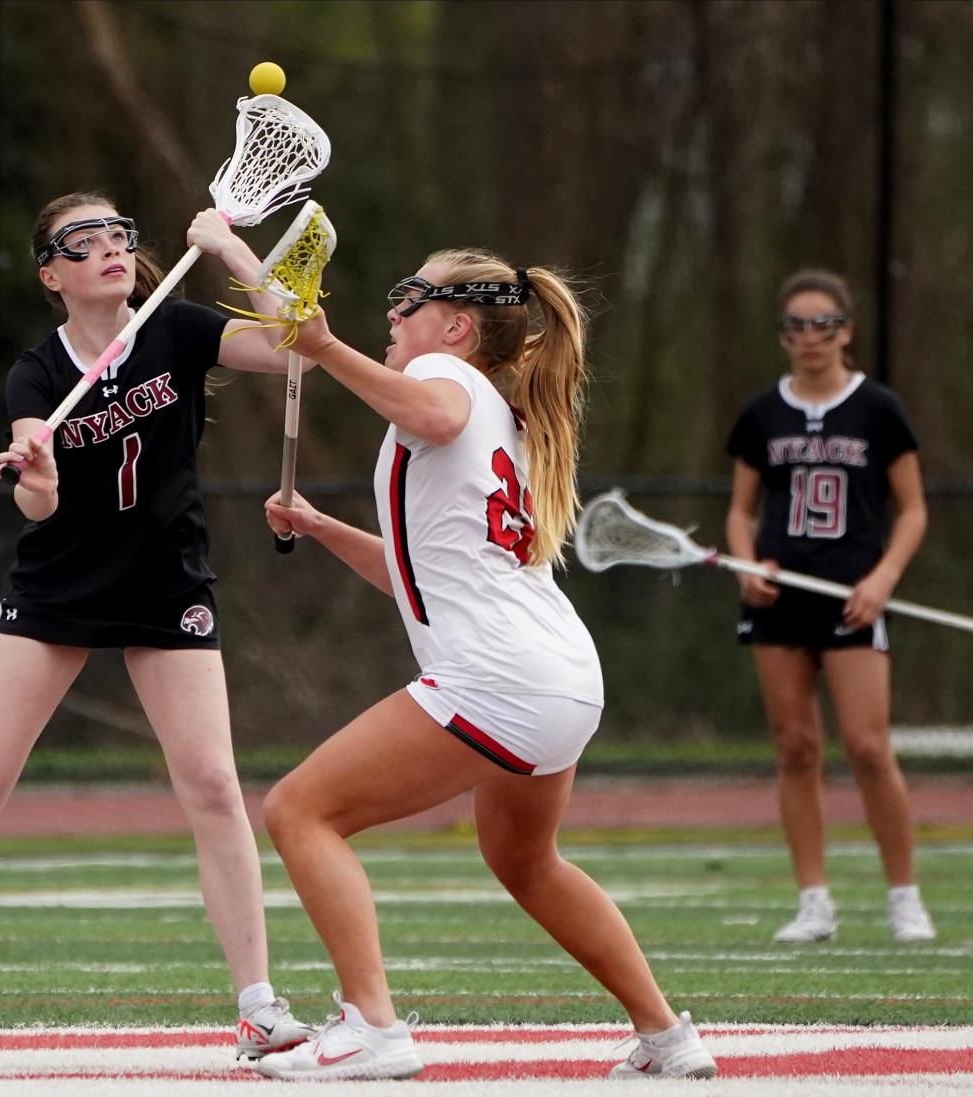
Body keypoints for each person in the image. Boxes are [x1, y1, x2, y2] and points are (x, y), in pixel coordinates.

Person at [0, 193, 314, 1064]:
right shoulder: (35, 374)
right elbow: (36, 502)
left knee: (216, 786)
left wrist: (233, 253)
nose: (111, 248)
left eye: (120, 233)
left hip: (167, 583)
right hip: (60, 589)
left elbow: (299, 345)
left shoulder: (178, 328)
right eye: (84, 241)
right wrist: (36, 468)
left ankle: (258, 1006)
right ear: (52, 274)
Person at [218, 247, 717, 1080]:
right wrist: (322, 527)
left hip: (503, 676)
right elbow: (417, 577)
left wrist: (322, 346)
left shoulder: (453, 387)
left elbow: (437, 416)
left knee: (300, 809)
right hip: (558, 673)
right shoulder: (492, 405)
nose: (391, 314)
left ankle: (373, 1028)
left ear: (455, 326)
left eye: (407, 299)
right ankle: (668, 1037)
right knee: (525, 861)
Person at [725, 268, 935, 944]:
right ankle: (813, 900)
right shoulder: (763, 414)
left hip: (853, 596)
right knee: (794, 747)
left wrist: (885, 577)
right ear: (783, 337)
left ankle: (904, 895)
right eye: (795, 326)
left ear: (844, 330)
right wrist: (747, 564)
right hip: (781, 598)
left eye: (822, 325)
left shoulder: (878, 409)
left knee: (870, 747)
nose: (809, 338)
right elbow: (740, 510)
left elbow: (913, 509)